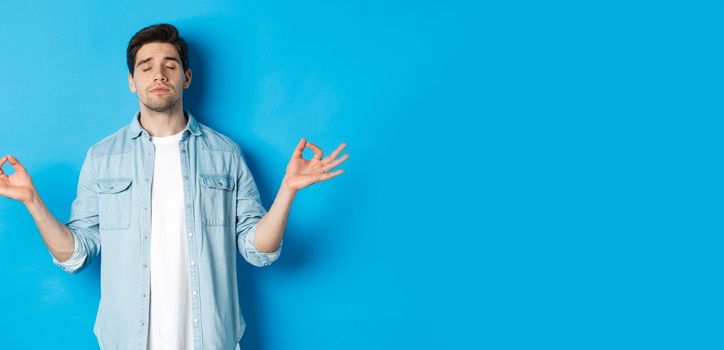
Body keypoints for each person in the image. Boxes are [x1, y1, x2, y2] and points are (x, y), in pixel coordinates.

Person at [0, 23, 348, 350]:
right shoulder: (102, 157)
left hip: (210, 339)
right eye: (146, 66)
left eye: (170, 64)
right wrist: (32, 201)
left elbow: (257, 251)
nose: (158, 73)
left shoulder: (224, 153)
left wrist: (287, 191)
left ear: (186, 77)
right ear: (132, 81)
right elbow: (76, 255)